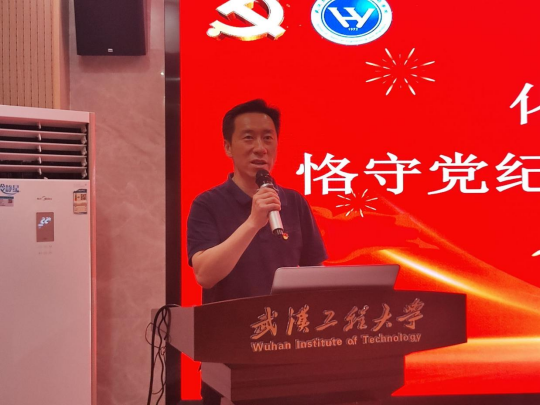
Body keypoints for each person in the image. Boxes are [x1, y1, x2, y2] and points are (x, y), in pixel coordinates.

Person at [186, 99, 327, 404]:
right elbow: (205, 275)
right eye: (248, 137)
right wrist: (253, 222)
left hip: (287, 352)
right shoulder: (207, 204)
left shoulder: (294, 202)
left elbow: (316, 274)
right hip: (228, 353)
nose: (260, 148)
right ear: (228, 147)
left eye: (268, 138)